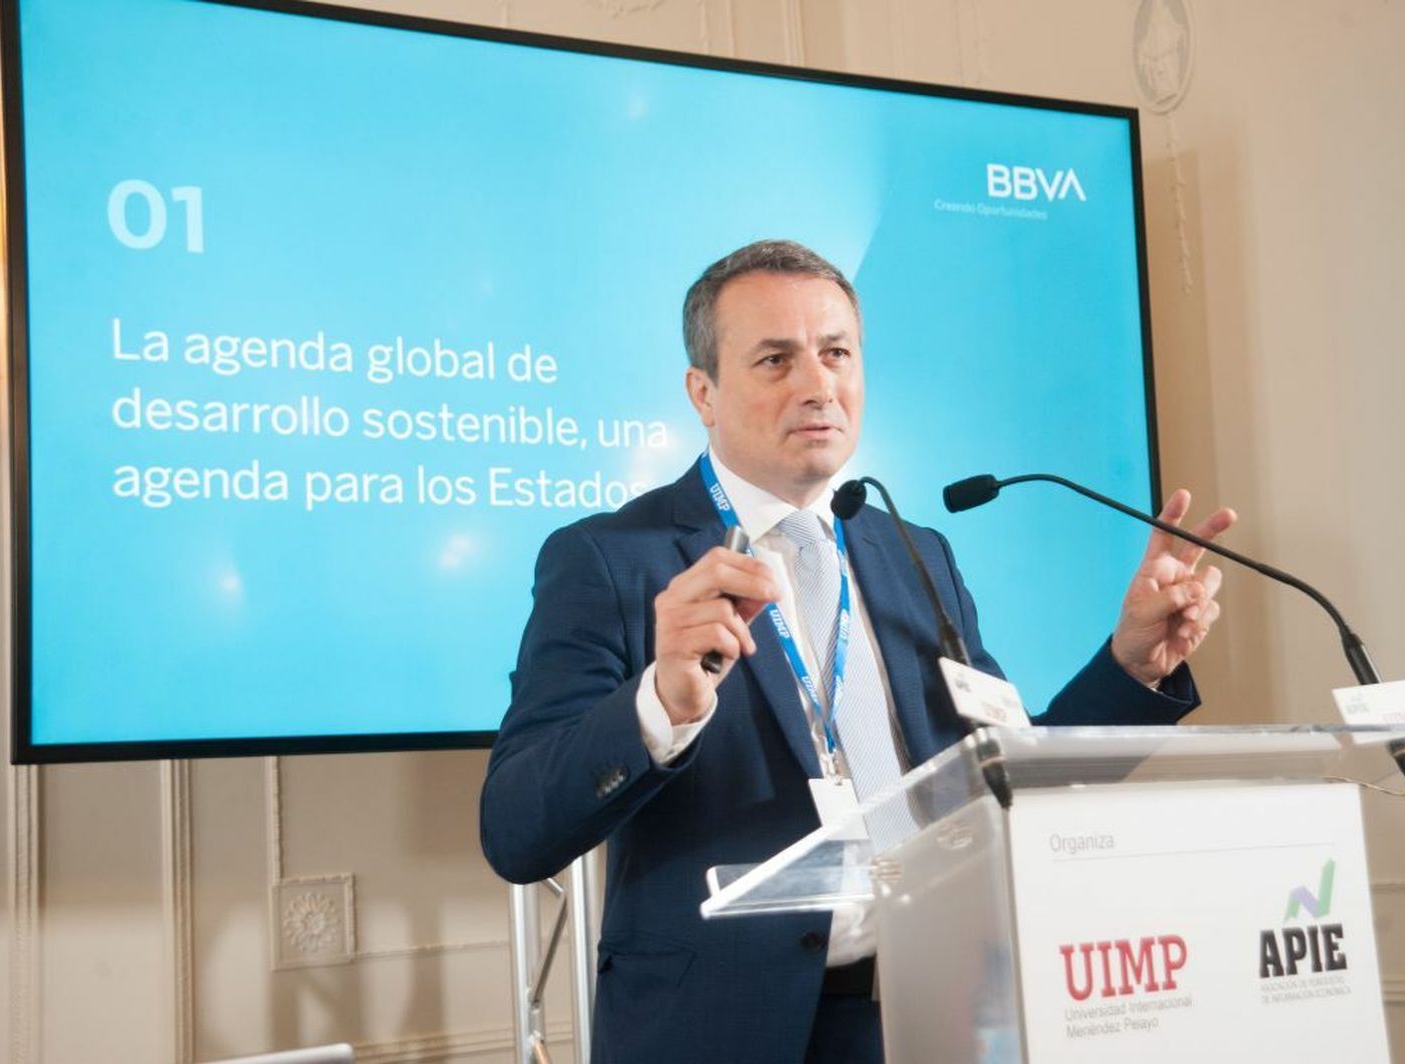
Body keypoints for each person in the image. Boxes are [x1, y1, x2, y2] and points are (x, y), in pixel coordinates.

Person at [480, 240, 1234, 1064]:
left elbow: (1002, 774)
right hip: (723, 1029)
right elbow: (518, 830)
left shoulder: (917, 554)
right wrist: (658, 704)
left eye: (836, 352)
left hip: (933, 1011)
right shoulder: (614, 558)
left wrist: (1130, 665)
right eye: (775, 359)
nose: (818, 384)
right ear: (703, 391)